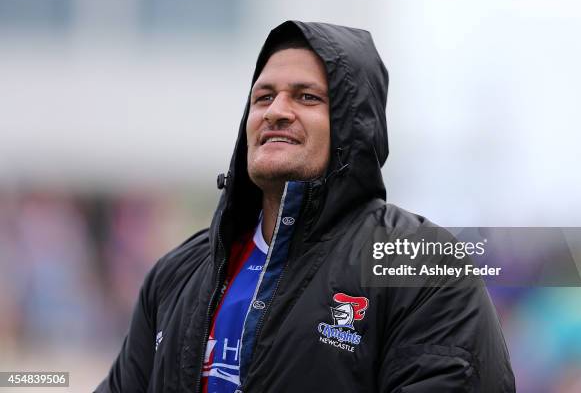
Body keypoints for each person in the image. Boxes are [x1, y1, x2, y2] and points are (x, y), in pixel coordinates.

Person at [96, 20, 515, 392]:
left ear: (354, 124)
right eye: (263, 98)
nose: (276, 111)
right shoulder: (177, 274)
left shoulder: (422, 266)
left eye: (306, 97)